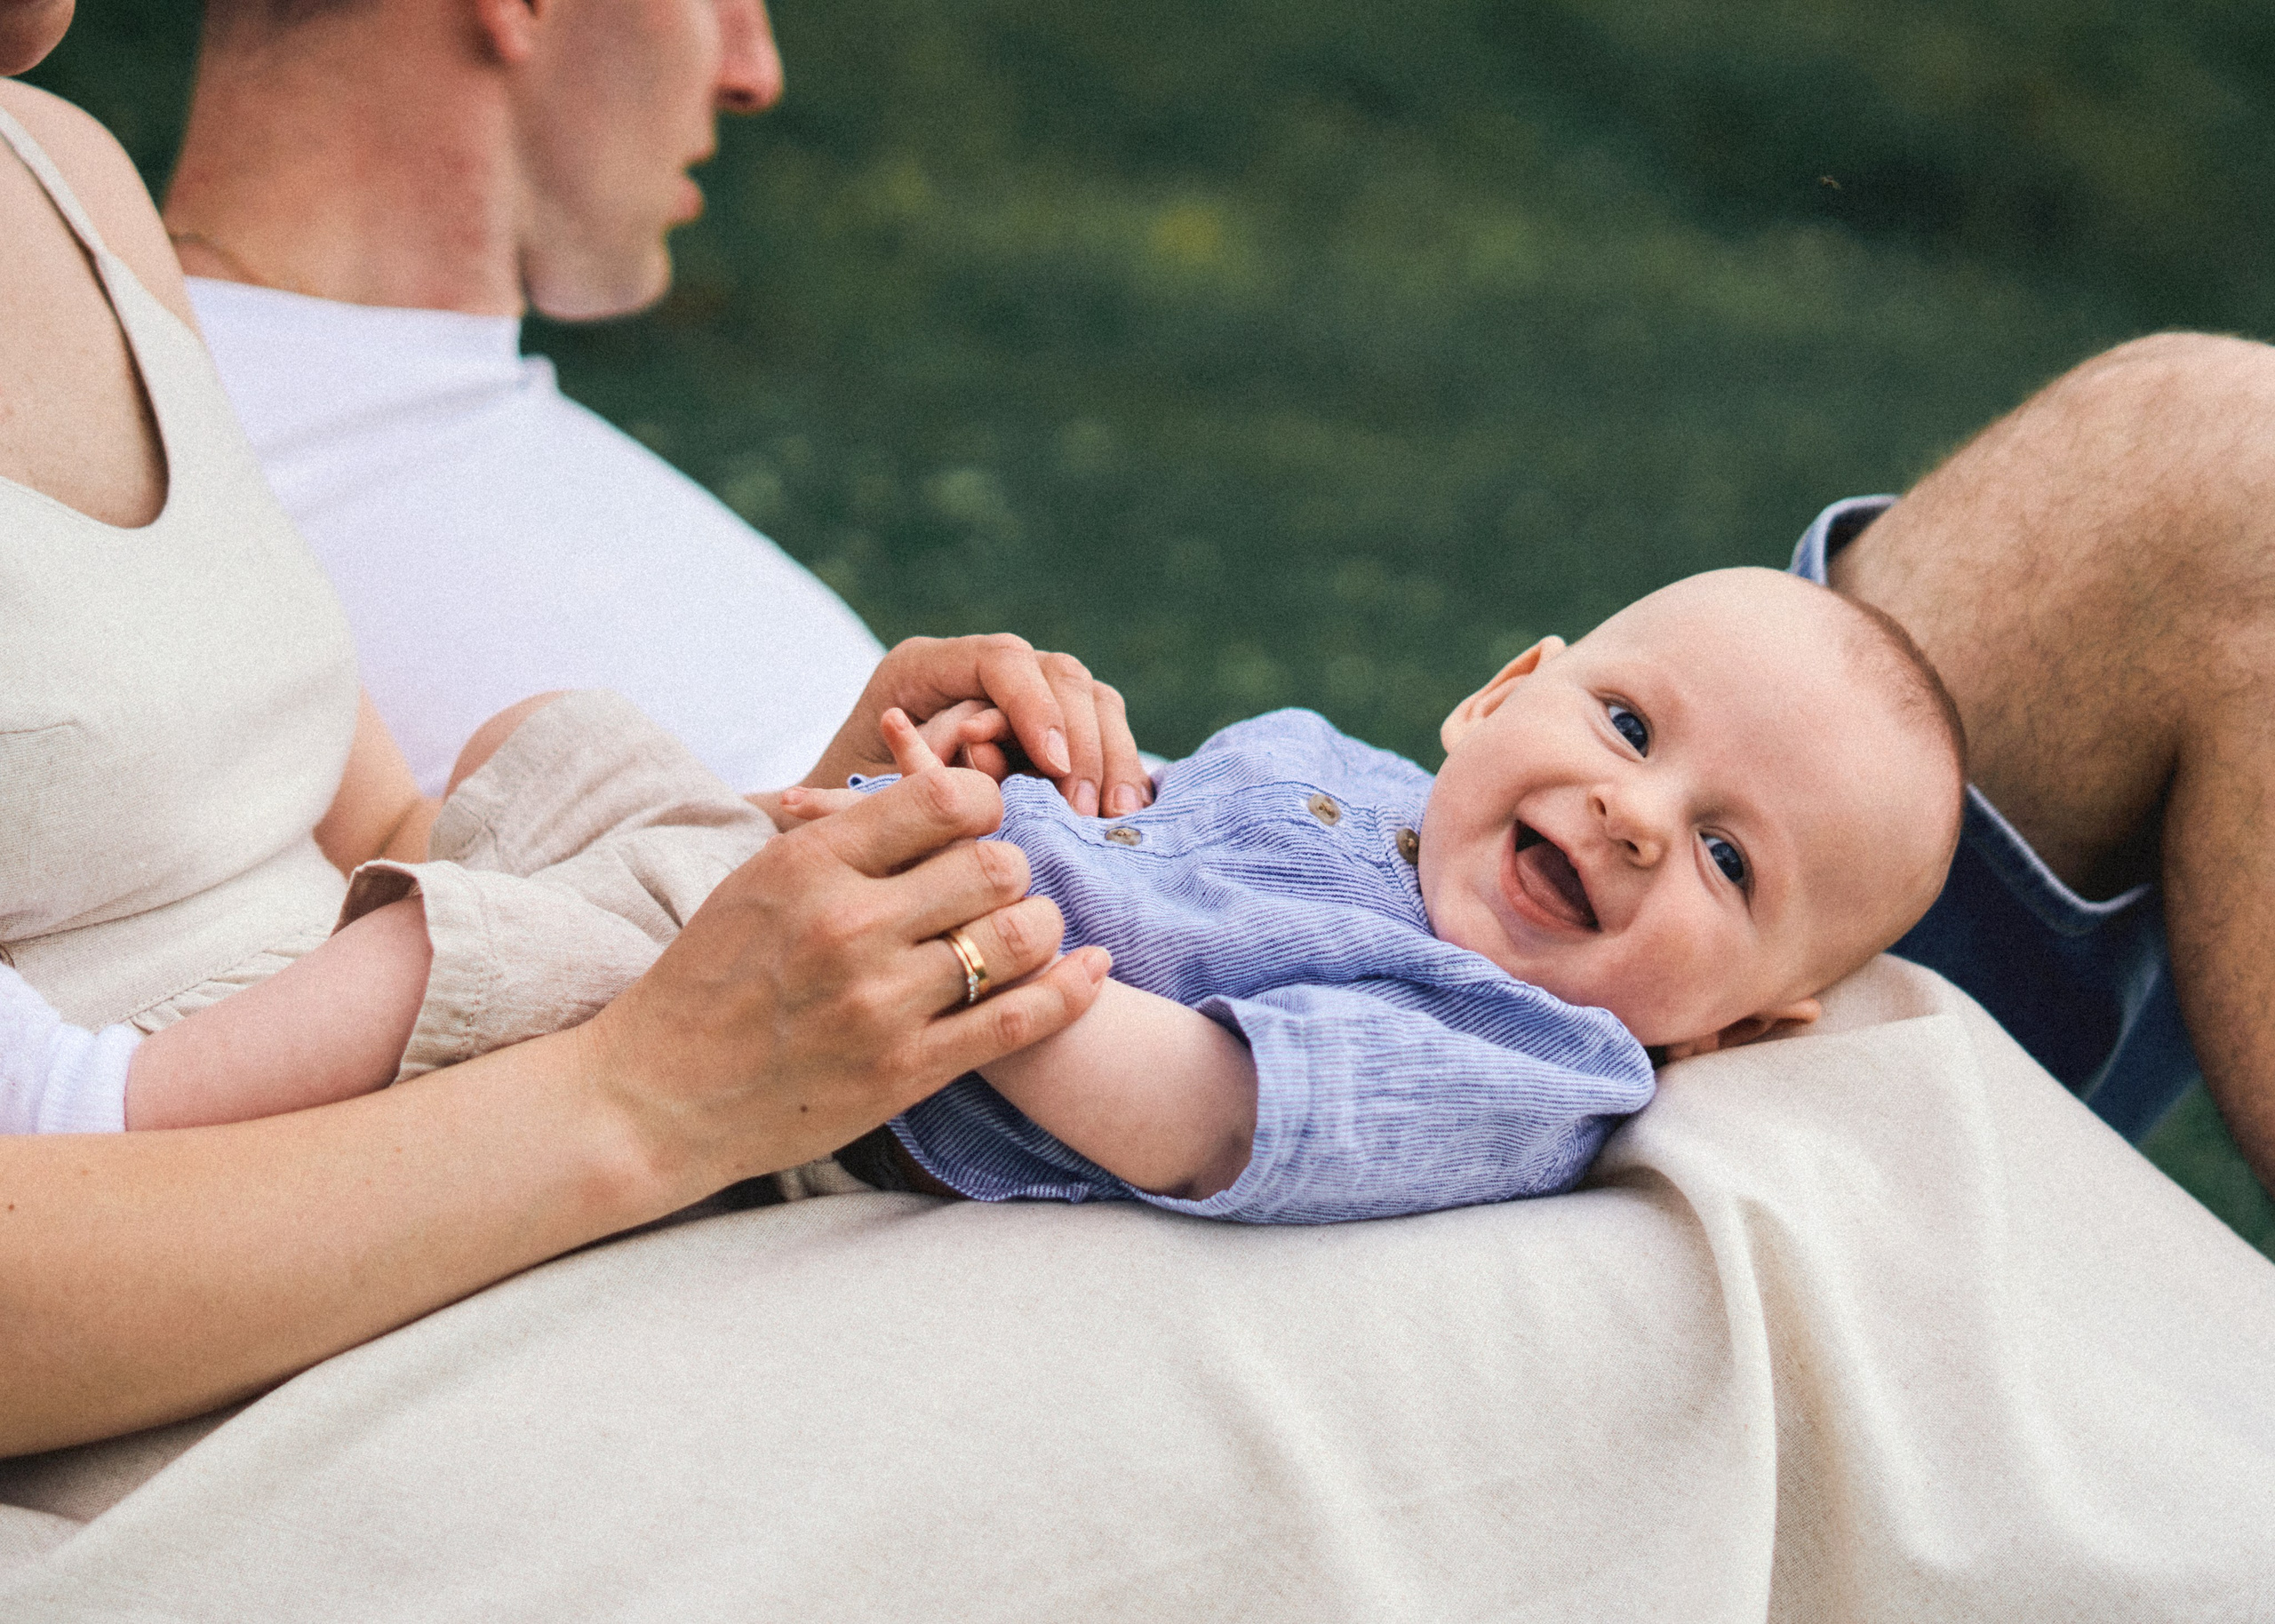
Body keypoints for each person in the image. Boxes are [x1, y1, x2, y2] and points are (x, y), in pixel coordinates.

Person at [0, 19, 1114, 1461]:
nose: (761, 70)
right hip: (216, 1365)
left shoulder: (63, 173)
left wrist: (801, 830)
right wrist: (650, 1097)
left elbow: (386, 839)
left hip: (476, 1161)